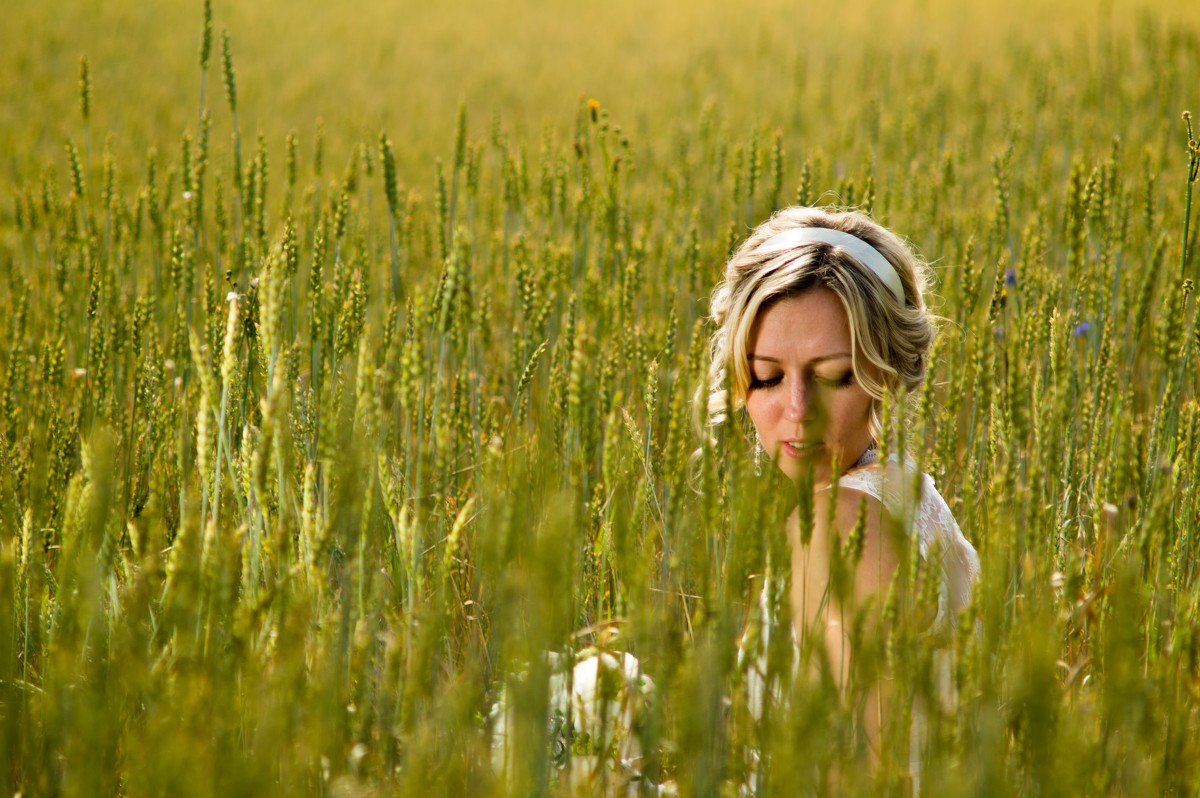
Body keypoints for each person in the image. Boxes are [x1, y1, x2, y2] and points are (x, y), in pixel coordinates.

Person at [700, 206, 981, 784]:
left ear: (887, 374)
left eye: (832, 375)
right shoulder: (906, 491)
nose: (798, 411)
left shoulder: (844, 523)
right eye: (769, 377)